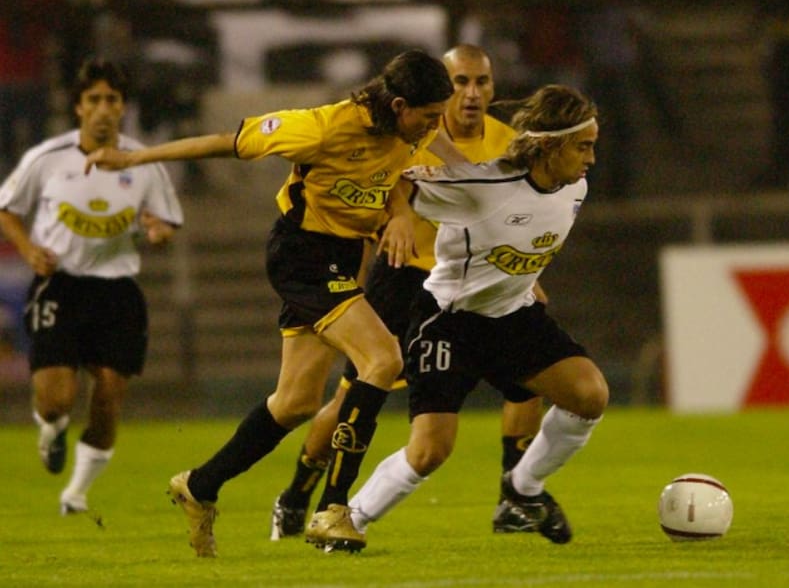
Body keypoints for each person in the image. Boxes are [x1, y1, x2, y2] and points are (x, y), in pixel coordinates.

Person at [84, 49, 457, 557]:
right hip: (302, 254)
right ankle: (334, 509)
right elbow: (226, 142)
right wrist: (133, 159)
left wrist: (399, 214)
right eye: (430, 116)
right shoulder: (321, 128)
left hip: (343, 256)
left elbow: (392, 175)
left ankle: (200, 485)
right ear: (398, 105)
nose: (435, 126)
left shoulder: (409, 130)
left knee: (296, 402)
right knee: (382, 358)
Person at [270, 44, 546, 541]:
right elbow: (382, 181)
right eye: (460, 82)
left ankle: (514, 497)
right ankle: (296, 494)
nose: (471, 93)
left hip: (474, 283)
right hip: (405, 279)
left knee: (531, 372)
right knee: (352, 397)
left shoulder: (508, 146)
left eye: (482, 82)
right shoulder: (412, 130)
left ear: (493, 88)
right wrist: (392, 220)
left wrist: (527, 275)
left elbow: (511, 218)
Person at [346, 84, 609, 548]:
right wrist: (401, 216)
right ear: (550, 146)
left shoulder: (576, 188)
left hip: (513, 317)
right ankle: (350, 520)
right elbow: (397, 181)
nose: (591, 159)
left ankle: (523, 489)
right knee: (430, 452)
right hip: (450, 320)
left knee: (589, 395)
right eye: (583, 147)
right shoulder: (482, 187)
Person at [0, 57, 183, 515]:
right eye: (94, 99)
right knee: (56, 400)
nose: (103, 108)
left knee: (108, 398)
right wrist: (28, 250)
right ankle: (52, 429)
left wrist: (158, 232)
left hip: (117, 290)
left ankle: (76, 493)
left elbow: (165, 224)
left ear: (122, 107)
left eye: (112, 99)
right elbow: (6, 208)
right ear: (79, 107)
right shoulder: (47, 158)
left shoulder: (144, 163)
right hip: (59, 286)